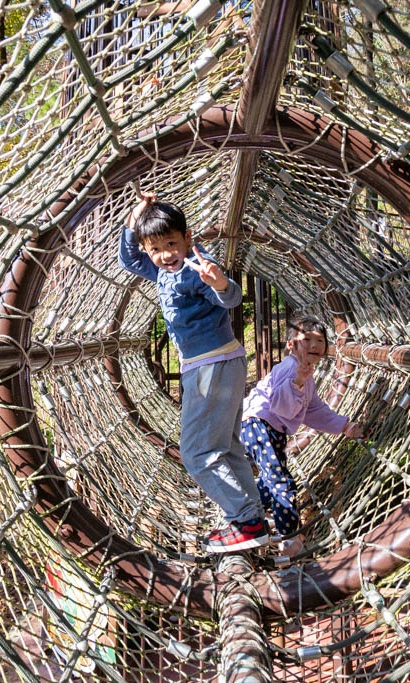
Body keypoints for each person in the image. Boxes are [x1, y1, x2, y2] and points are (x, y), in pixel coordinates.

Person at [118, 193, 270, 553]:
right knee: (227, 447)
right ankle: (251, 519)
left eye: (171, 243)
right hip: (219, 363)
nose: (165, 254)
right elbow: (128, 259)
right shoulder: (159, 270)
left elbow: (230, 298)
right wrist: (135, 217)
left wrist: (218, 282)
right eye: (155, 248)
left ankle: (245, 519)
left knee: (197, 453)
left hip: (211, 365)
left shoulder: (196, 268)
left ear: (187, 238)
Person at [241, 316, 364, 556]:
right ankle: (289, 538)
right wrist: (297, 381)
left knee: (269, 481)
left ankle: (245, 517)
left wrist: (345, 426)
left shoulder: (307, 378)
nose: (315, 345)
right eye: (306, 339)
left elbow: (314, 411)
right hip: (259, 424)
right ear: (291, 345)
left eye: (320, 340)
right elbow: (280, 405)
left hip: (269, 429)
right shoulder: (290, 368)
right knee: (282, 483)